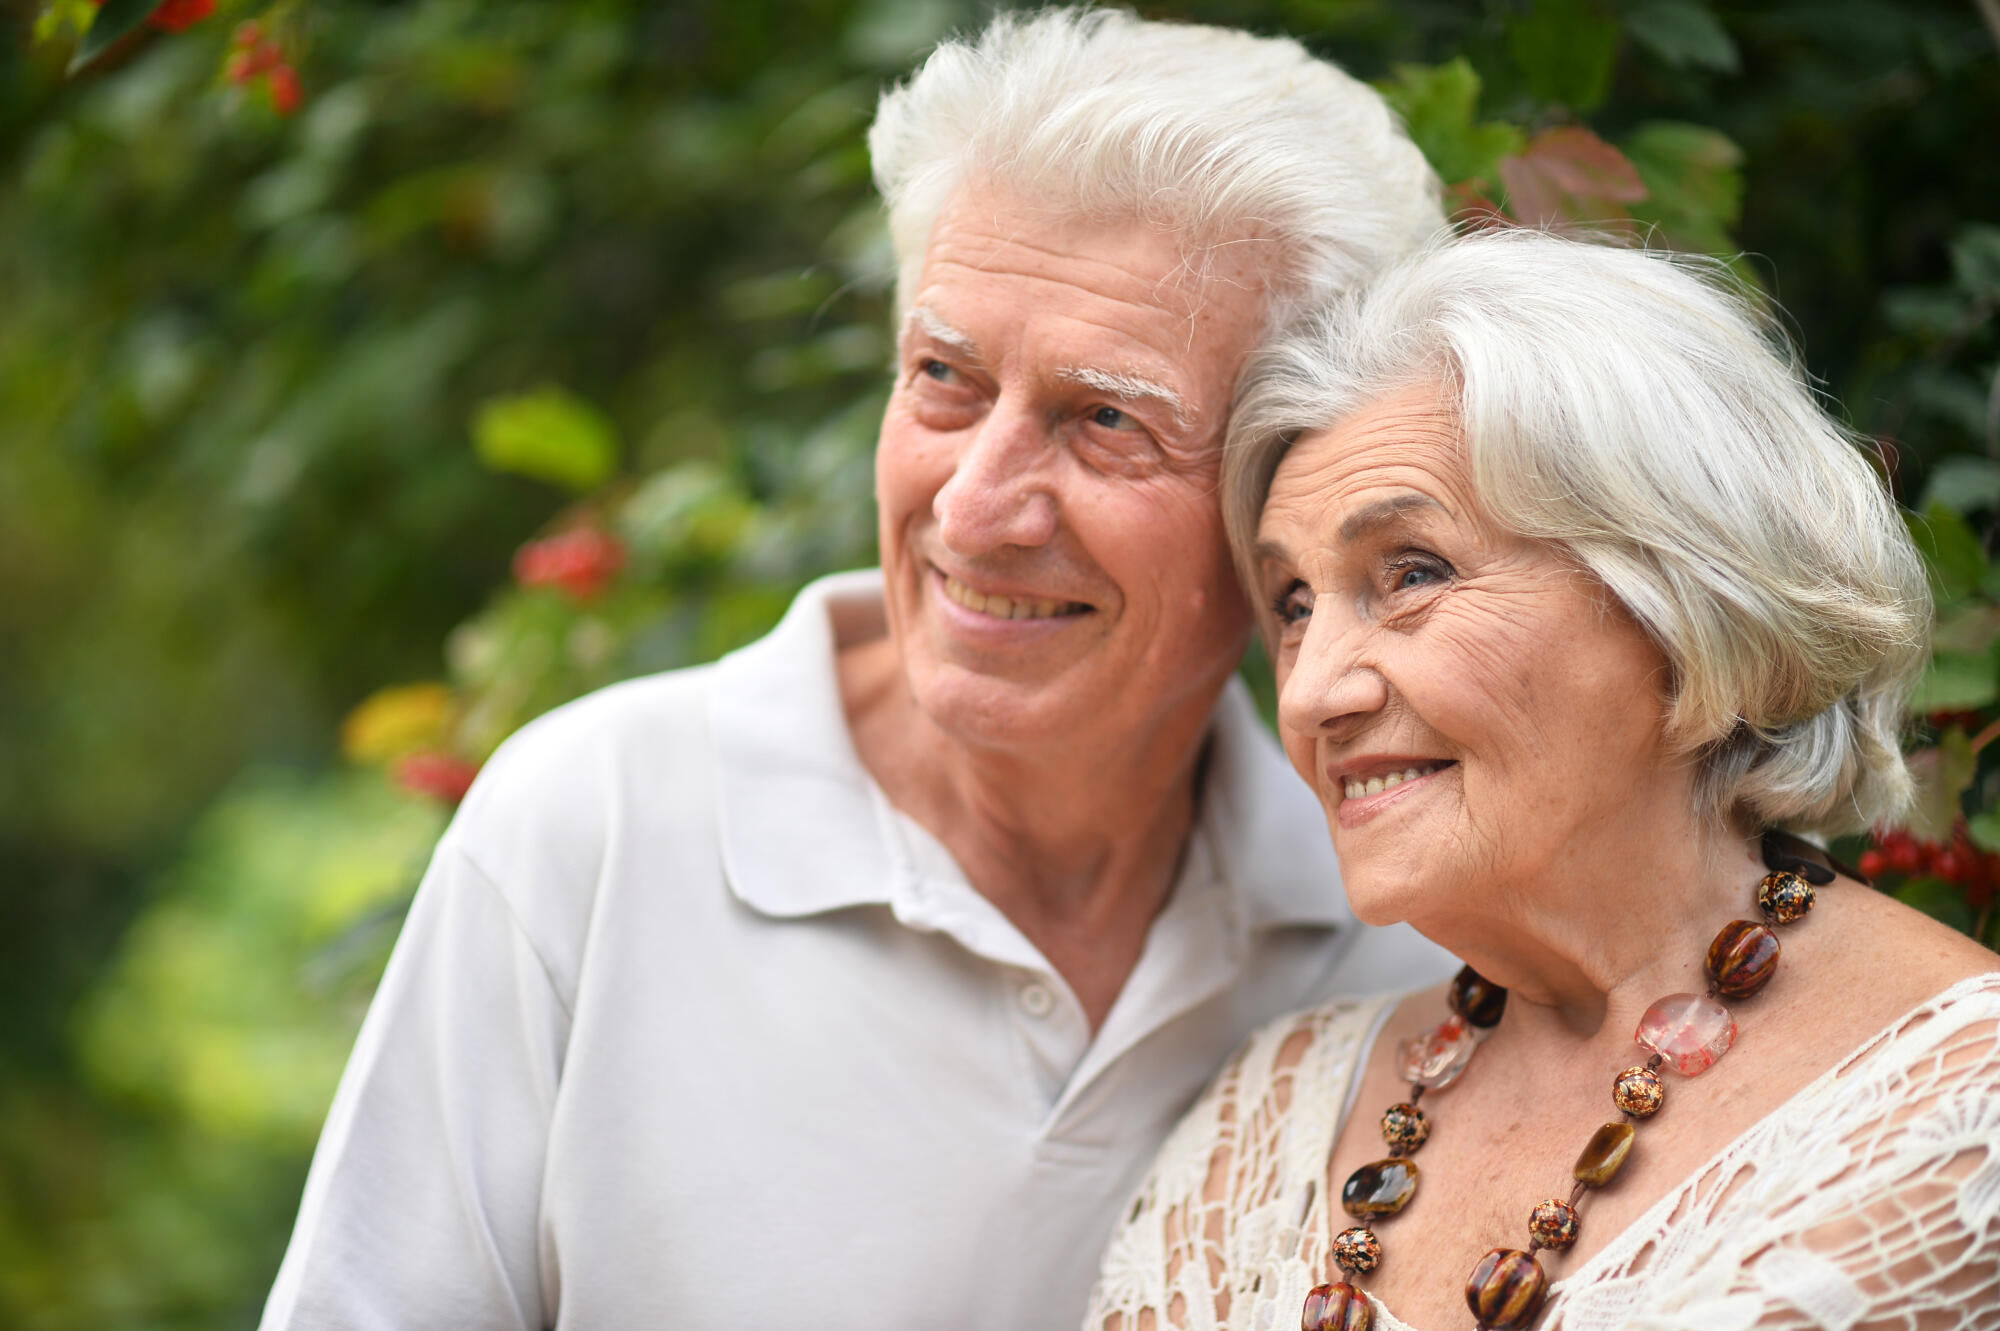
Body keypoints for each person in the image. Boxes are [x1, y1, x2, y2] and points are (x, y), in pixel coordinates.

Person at [258, 10, 1455, 1329]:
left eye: (1106, 417)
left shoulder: (1392, 927)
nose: (979, 504)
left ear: (1290, 495)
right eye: (944, 377)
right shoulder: (592, 826)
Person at [1087, 230, 2000, 1331]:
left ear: (1683, 604)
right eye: (1292, 604)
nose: (1309, 690)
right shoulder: (1269, 1113)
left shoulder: (1954, 1116)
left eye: (1411, 572)